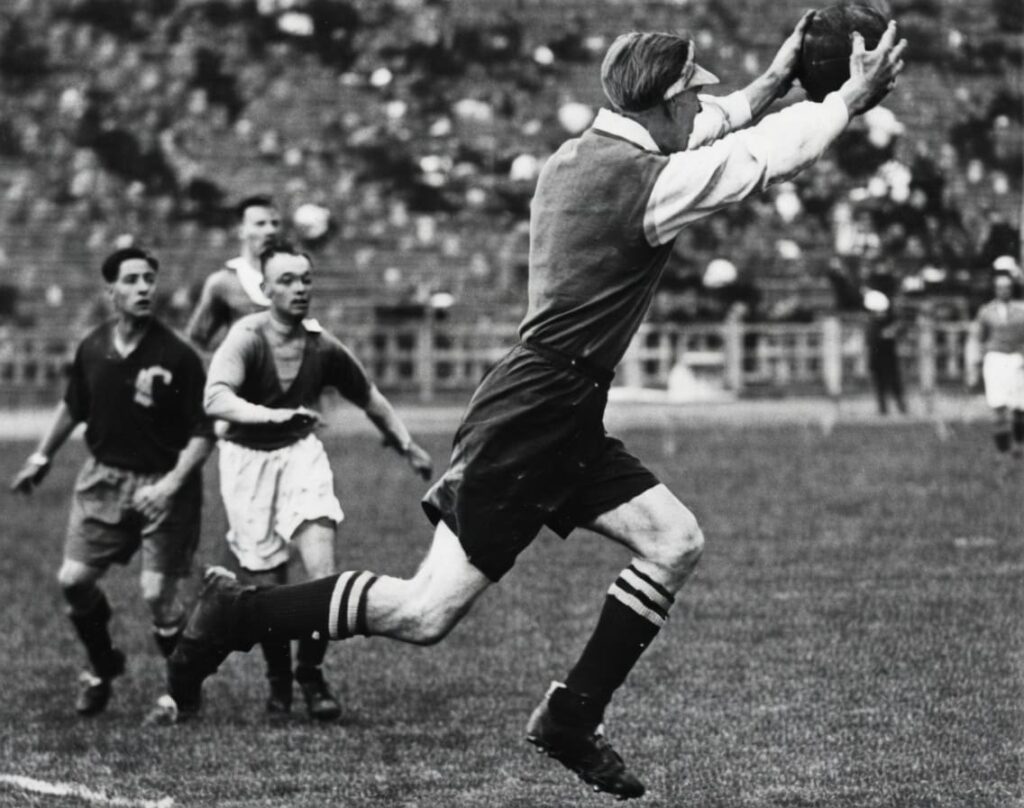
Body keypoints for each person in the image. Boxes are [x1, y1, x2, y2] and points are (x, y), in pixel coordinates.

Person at [151, 18, 906, 800]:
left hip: (560, 405)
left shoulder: (578, 156)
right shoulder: (646, 185)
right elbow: (751, 159)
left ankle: (572, 717)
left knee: (673, 541)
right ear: (668, 103)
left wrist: (777, 78)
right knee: (423, 612)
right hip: (535, 411)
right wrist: (846, 101)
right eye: (693, 96)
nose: (700, 109)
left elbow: (711, 126)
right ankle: (237, 614)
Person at [192, 239, 433, 720]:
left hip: (302, 458)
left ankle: (311, 673)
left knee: (322, 576)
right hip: (246, 463)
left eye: (305, 279)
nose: (299, 289)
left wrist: (406, 444)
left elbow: (369, 397)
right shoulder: (246, 336)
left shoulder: (322, 346)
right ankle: (278, 680)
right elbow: (215, 398)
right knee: (265, 584)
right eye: (286, 280)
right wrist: (271, 417)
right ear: (264, 288)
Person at [10, 247, 214, 715]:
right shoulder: (93, 346)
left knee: (157, 595)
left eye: (149, 279)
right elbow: (73, 405)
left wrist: (170, 485)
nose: (144, 287)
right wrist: (43, 456)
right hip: (102, 479)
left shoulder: (178, 355)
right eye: (132, 280)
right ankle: (104, 665)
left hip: (165, 484)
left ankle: (183, 695)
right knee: (74, 581)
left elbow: (205, 432)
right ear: (111, 291)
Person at [186, 195, 281, 350]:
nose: (270, 230)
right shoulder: (222, 282)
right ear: (241, 230)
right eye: (260, 224)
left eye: (274, 224)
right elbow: (196, 341)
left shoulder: (293, 278)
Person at [971, 271, 1024, 457]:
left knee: (1019, 406)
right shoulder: (986, 312)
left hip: (1017, 360)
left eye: (1007, 287)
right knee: (998, 404)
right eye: (1000, 287)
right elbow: (979, 338)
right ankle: (1003, 449)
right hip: (996, 359)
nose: (1004, 291)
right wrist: (977, 361)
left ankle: (1019, 444)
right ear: (995, 289)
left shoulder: (1021, 311)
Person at [863, 289, 907, 415]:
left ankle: (901, 407)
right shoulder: (872, 322)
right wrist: (891, 331)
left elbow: (900, 330)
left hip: (888, 358)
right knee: (880, 386)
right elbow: (877, 337)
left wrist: (894, 329)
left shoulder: (889, 319)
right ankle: (884, 410)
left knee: (895, 385)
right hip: (878, 358)